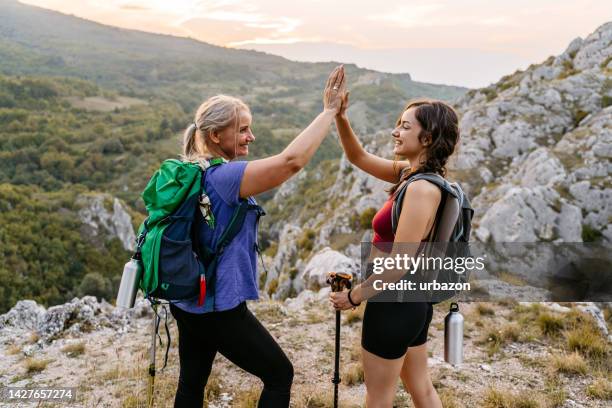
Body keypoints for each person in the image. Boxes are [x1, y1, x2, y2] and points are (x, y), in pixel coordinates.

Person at [170, 66, 346, 407]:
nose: (251, 137)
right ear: (217, 136)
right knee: (279, 375)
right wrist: (328, 112)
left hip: (189, 301)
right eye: (243, 130)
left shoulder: (193, 169)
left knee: (191, 384)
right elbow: (291, 162)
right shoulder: (226, 176)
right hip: (218, 305)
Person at [329, 89, 460, 408]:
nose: (395, 131)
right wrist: (341, 117)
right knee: (421, 389)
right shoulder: (409, 175)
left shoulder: (421, 189)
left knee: (378, 397)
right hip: (411, 302)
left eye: (404, 126)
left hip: (393, 303)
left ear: (427, 138)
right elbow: (357, 157)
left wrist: (353, 296)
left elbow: (400, 263)